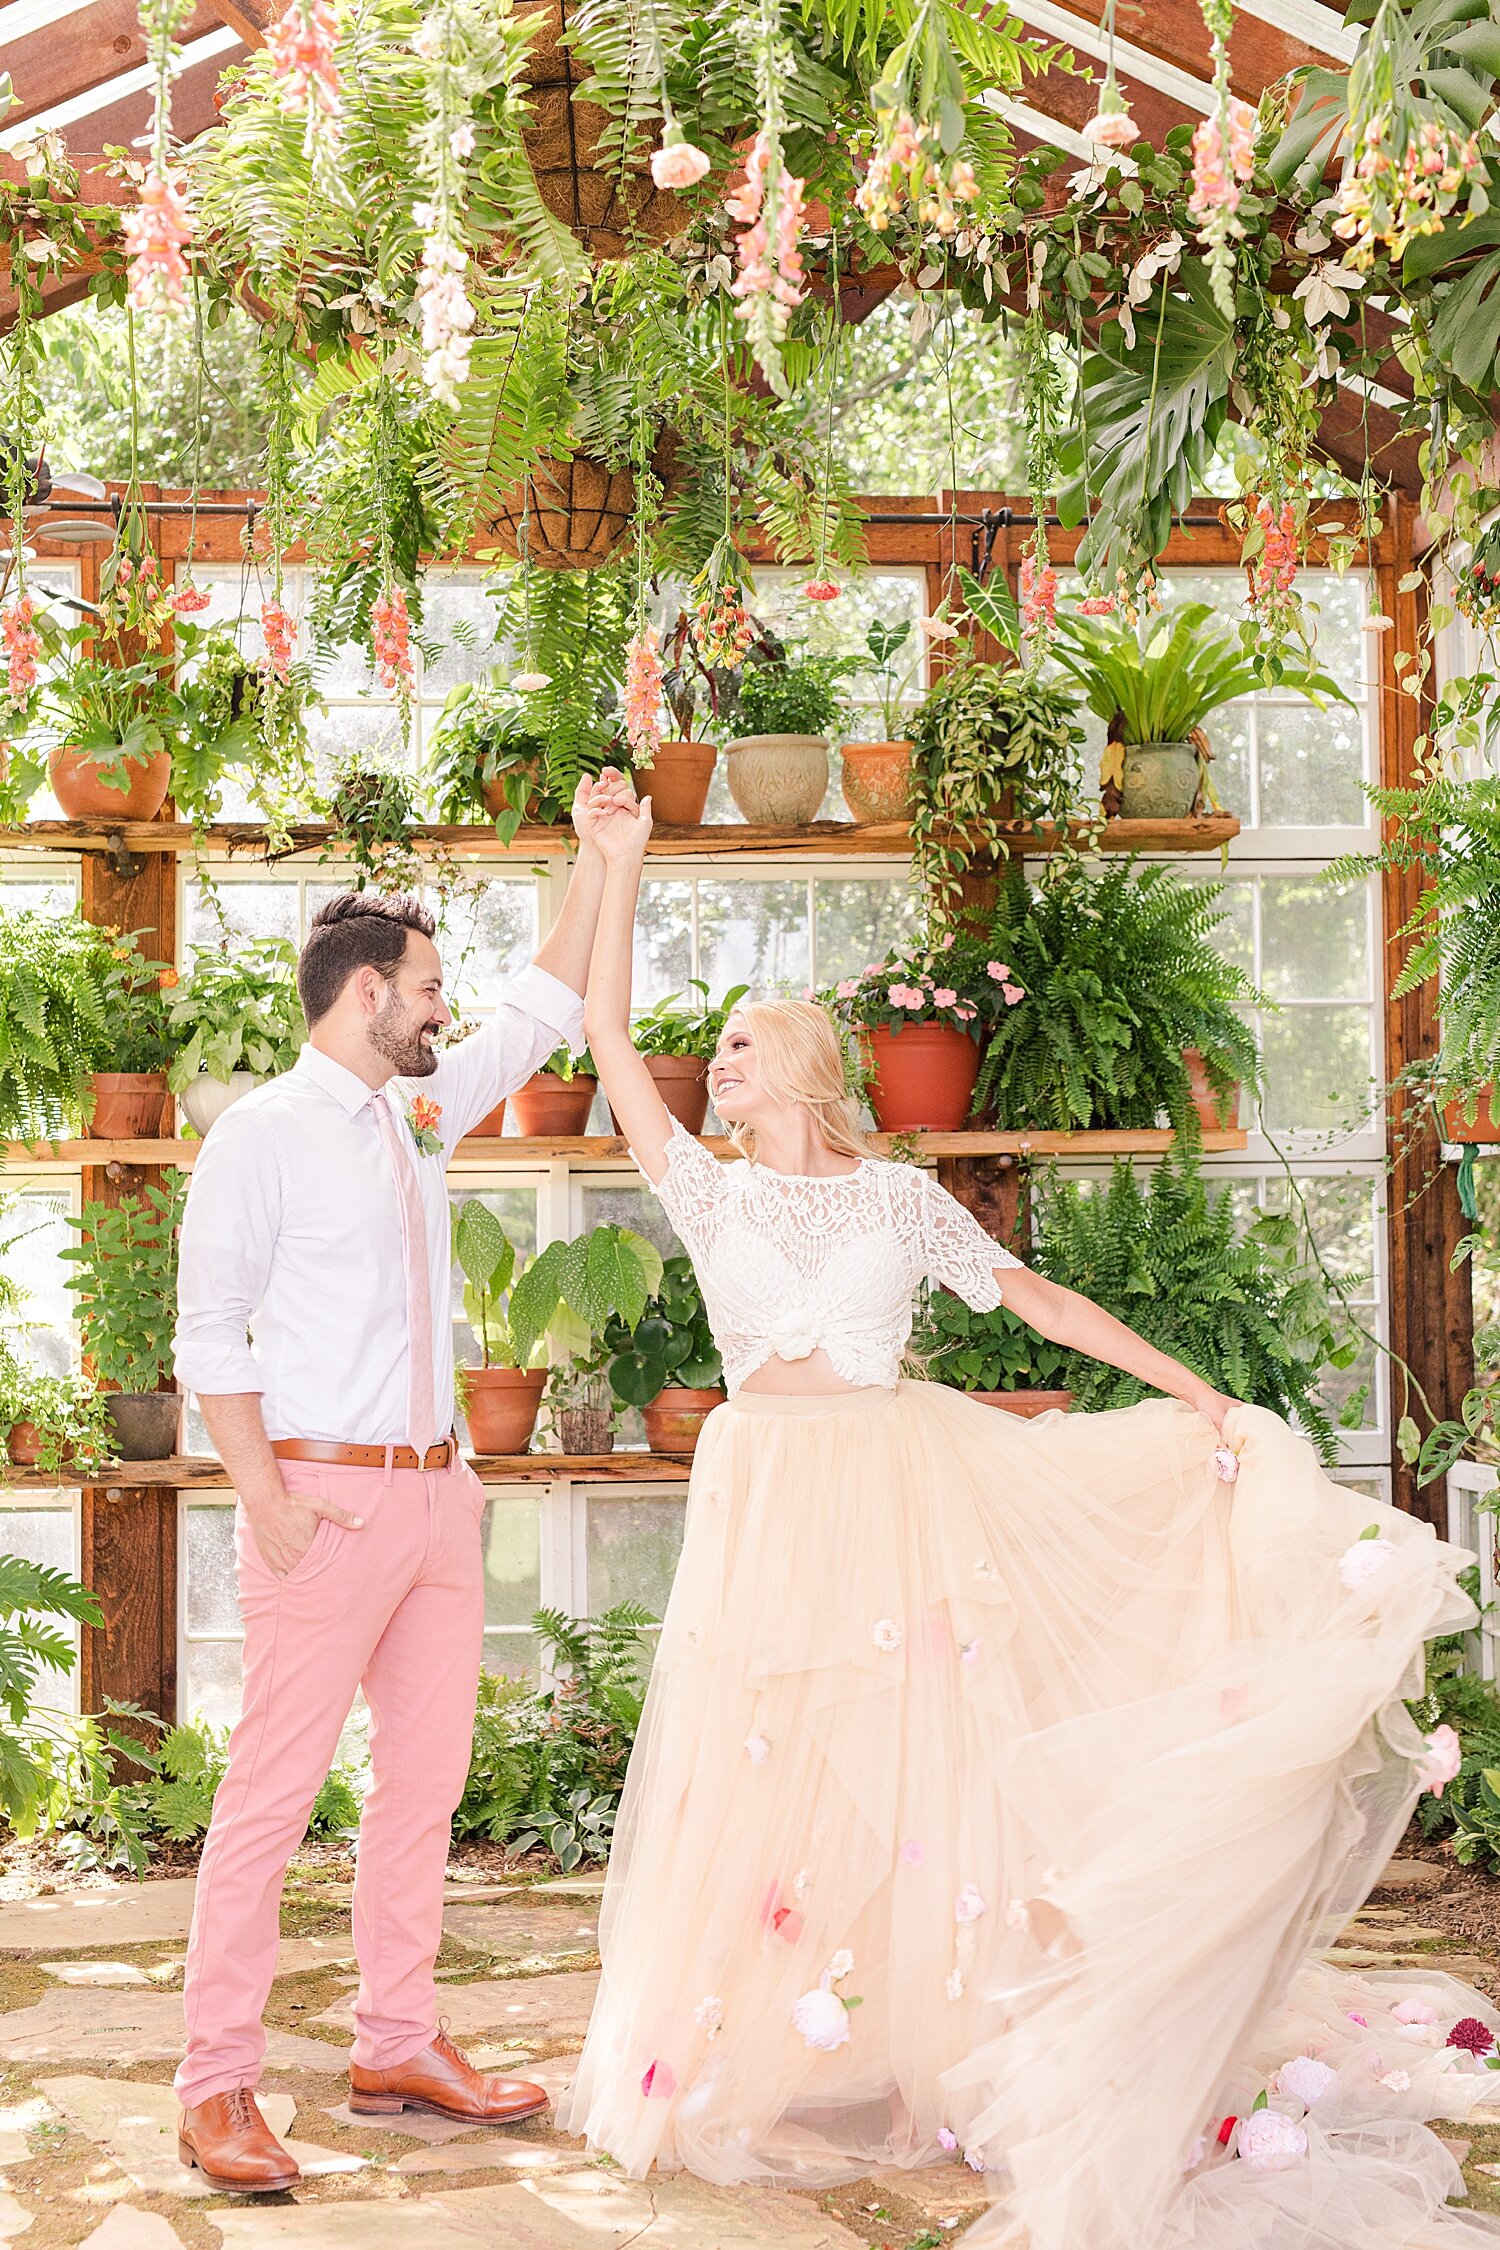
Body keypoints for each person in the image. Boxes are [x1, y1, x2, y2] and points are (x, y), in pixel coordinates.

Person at [556, 776, 1500, 2250]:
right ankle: (762, 2035)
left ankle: (945, 2033)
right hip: (764, 1497)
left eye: (740, 1043)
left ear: (804, 1066)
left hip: (889, 1487)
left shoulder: (899, 1202)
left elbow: (1042, 1300)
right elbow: (608, 1034)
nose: (716, 1062)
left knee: (924, 1758)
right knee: (764, 1761)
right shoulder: (707, 1194)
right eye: (719, 1049)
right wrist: (617, 860)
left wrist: (1195, 1397)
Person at [171, 779, 636, 2192]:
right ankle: (217, 2084)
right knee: (271, 1794)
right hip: (320, 1502)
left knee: (423, 1787)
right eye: (430, 987)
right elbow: (206, 1333)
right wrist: (266, 1497)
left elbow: (552, 1009)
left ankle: (396, 2041)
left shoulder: (420, 1108)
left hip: (442, 1503)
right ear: (368, 991)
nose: (446, 1008)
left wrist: (600, 856)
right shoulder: (260, 1134)